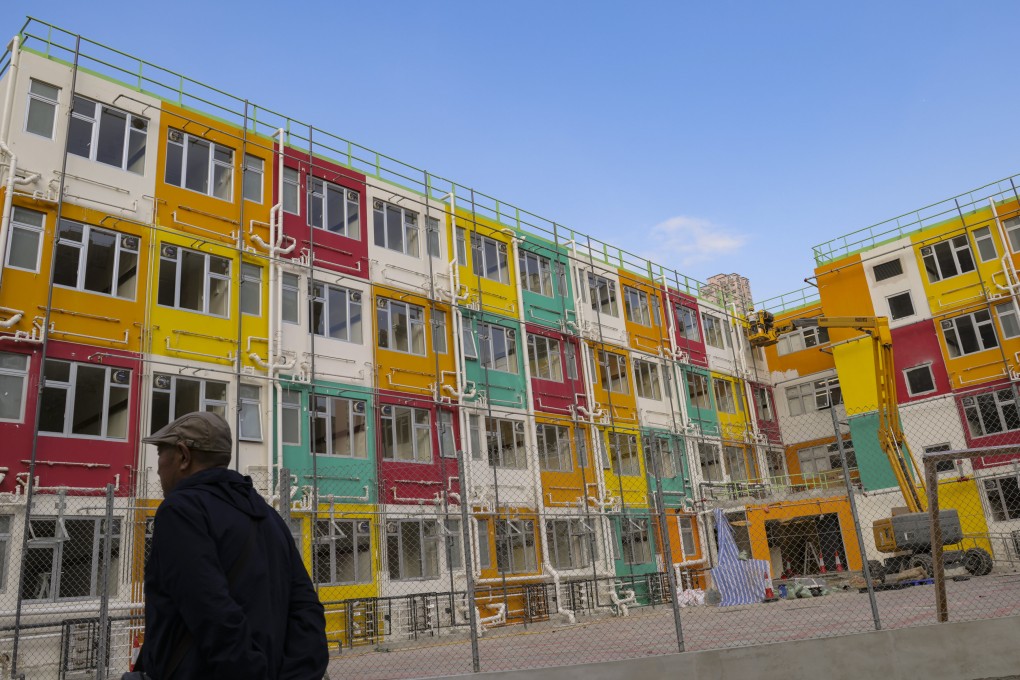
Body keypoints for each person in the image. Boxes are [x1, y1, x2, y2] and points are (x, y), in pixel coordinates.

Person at [134, 411, 328, 679]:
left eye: (160, 453)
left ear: (183, 456)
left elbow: (211, 612)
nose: (158, 467)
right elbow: (306, 607)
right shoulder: (267, 515)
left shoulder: (181, 510)